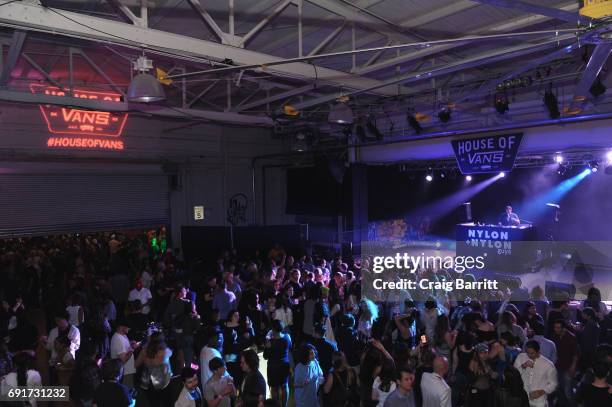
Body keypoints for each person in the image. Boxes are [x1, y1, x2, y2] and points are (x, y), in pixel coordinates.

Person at [514, 340, 557, 407]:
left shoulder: (548, 365)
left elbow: (553, 384)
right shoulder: (521, 357)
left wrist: (541, 392)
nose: (529, 355)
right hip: (522, 399)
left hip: (539, 402)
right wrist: (523, 366)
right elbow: (514, 374)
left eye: (532, 353)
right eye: (527, 352)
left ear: (538, 351)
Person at [263, 320, 292, 407]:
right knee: (285, 386)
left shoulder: (270, 342)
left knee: (274, 388)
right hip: (284, 365)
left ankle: (275, 405)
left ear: (273, 329)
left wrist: (267, 347)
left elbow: (265, 356)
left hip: (273, 367)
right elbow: (290, 347)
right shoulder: (287, 337)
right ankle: (285, 405)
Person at [110, 318, 138, 387]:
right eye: (128, 327)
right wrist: (132, 348)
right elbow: (124, 359)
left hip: (127, 371)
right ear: (122, 327)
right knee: (126, 391)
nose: (129, 329)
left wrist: (130, 343)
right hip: (123, 373)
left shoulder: (123, 335)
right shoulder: (117, 339)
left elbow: (125, 347)